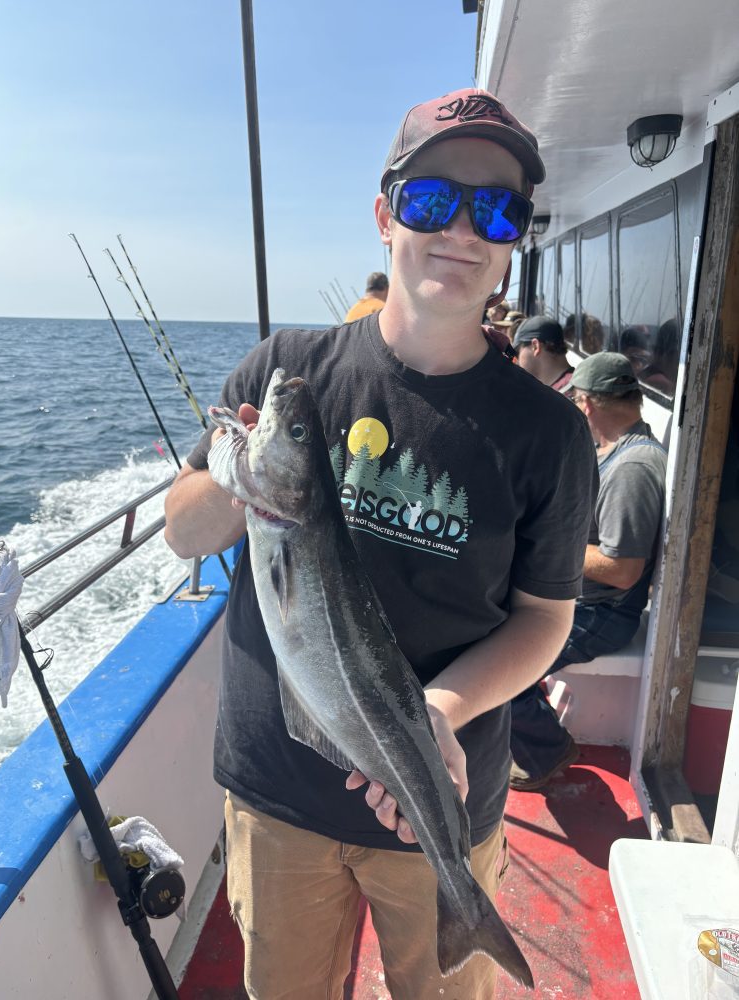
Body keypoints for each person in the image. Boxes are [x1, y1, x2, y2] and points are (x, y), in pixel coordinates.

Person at [164, 86, 597, 999]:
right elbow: (180, 534)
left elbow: (545, 621)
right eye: (435, 199)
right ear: (385, 216)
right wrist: (238, 480)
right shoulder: (288, 371)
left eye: (499, 208)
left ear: (515, 239)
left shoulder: (548, 434)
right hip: (280, 793)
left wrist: (437, 711)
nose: (464, 229)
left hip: (434, 796)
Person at [510, 352, 667, 791]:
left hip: (603, 616)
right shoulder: (617, 450)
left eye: (577, 400)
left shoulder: (633, 469)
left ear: (588, 403)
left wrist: (543, 541)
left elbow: (622, 569)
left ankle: (546, 751)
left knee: (499, 662)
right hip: (580, 602)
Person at [513, 315, 574, 390]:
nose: (516, 361)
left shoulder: (571, 395)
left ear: (535, 346)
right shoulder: (577, 386)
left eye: (517, 352)